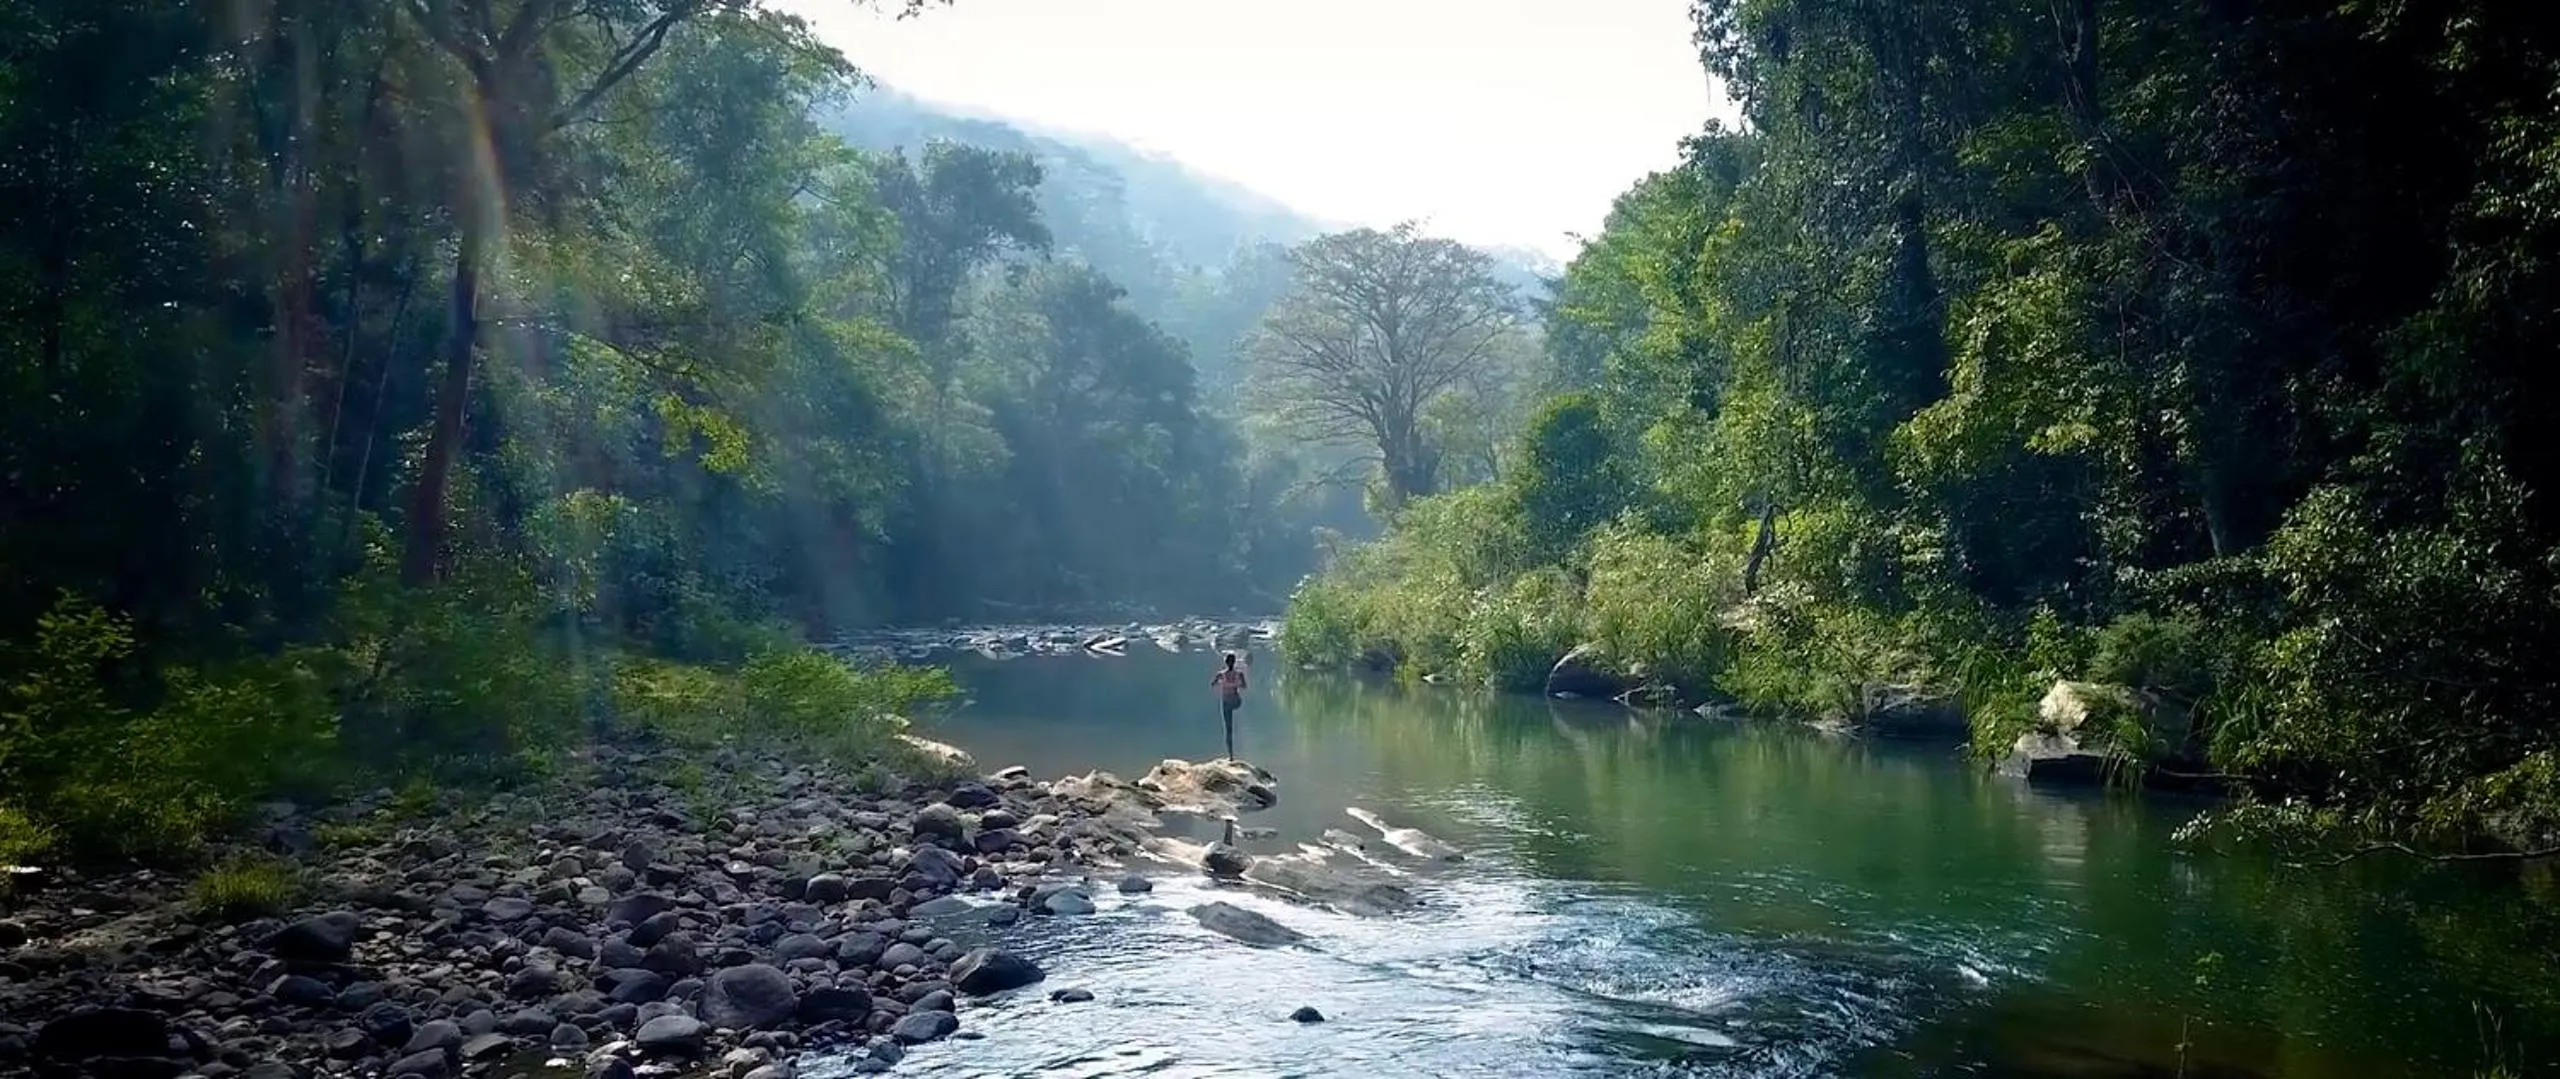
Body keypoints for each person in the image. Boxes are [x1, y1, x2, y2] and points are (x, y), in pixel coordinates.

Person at [1211, 651, 1249, 759]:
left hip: (1227, 702)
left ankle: (1231, 755)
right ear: (1235, 662)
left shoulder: (1221, 674)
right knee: (1229, 728)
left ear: (1225, 662)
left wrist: (1222, 683)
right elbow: (1244, 686)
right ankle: (1231, 755)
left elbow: (1212, 684)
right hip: (1236, 701)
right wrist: (1235, 684)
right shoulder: (1239, 674)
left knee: (1228, 729)